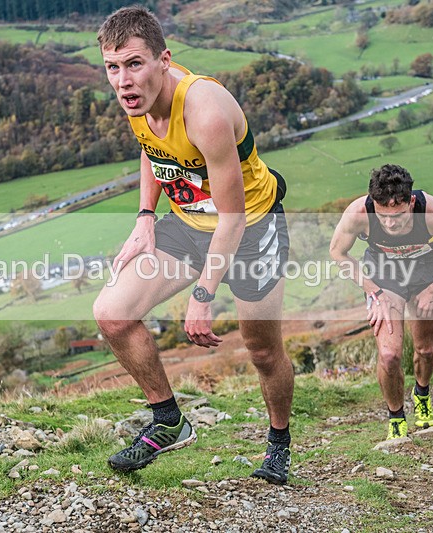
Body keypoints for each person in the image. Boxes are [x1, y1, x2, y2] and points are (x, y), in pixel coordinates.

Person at [93, 7, 293, 484]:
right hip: (188, 223)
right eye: (113, 68)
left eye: (134, 64)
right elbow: (152, 149)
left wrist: (203, 295)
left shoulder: (204, 112)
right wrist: (145, 217)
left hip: (251, 229)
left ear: (164, 60)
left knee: (262, 351)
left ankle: (279, 443)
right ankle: (169, 421)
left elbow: (233, 218)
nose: (123, 80)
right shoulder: (138, 98)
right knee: (112, 314)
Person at [330, 164, 433, 440]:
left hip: (427, 271)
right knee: (389, 355)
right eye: (383, 216)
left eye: (397, 215)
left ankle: (422, 392)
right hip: (384, 274)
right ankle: (396, 416)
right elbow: (338, 253)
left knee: (426, 349)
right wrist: (374, 292)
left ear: (410, 202)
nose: (390, 224)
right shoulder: (359, 213)